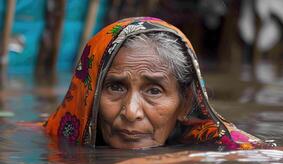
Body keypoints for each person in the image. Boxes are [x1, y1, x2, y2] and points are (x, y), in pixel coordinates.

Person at [44, 17, 267, 150]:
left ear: (185, 102)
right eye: (115, 87)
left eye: (153, 90)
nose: (131, 113)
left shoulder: (222, 146)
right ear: (89, 94)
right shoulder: (52, 142)